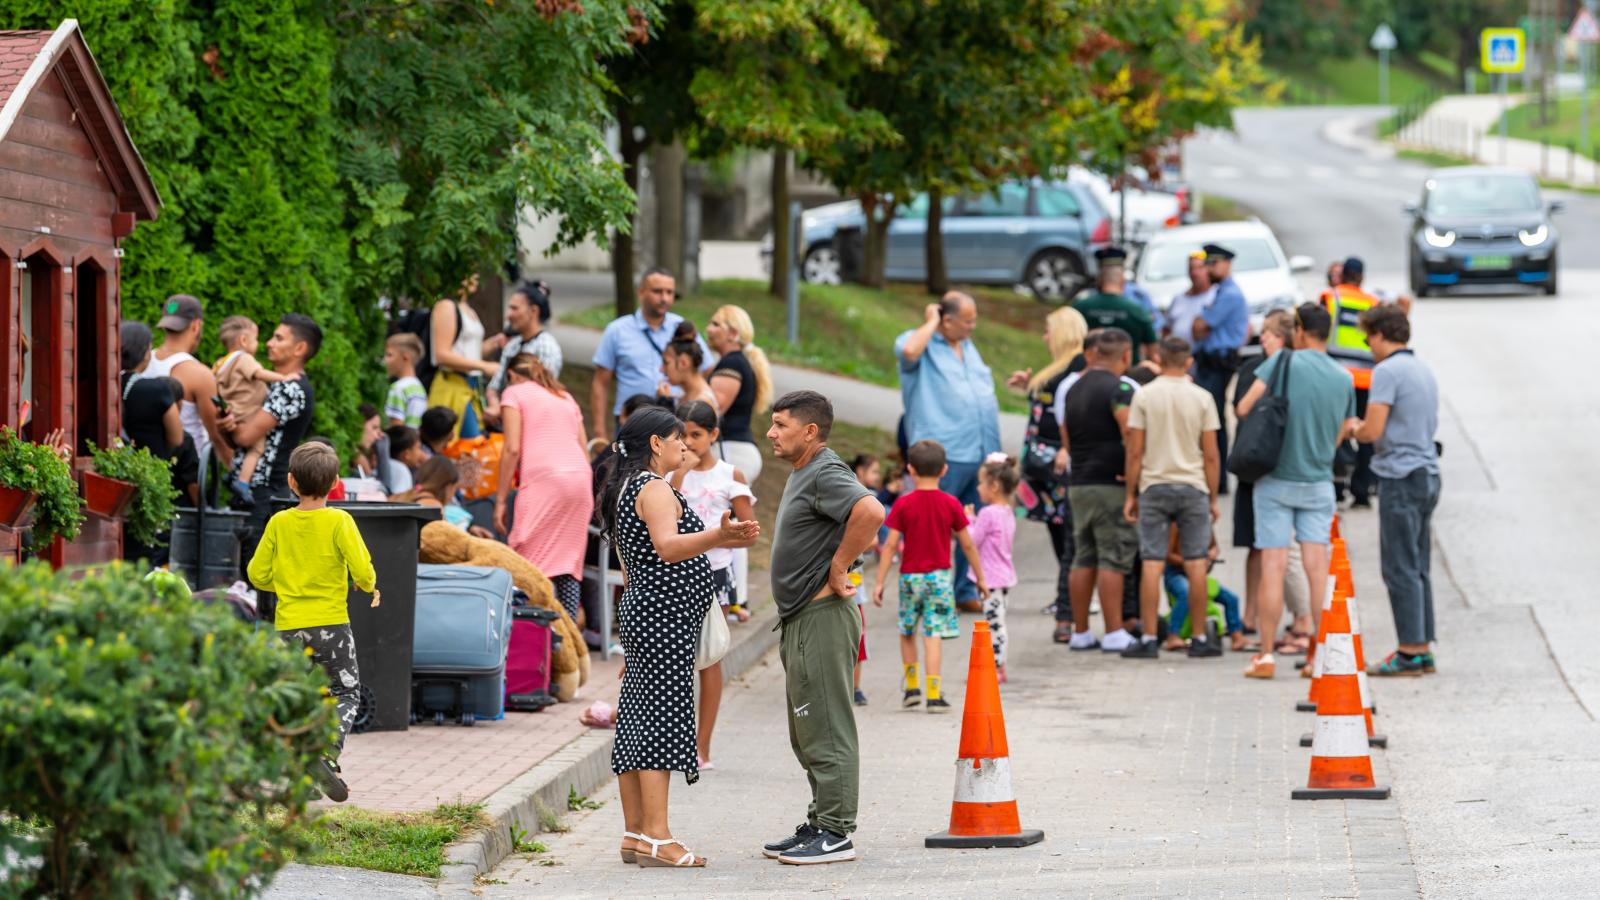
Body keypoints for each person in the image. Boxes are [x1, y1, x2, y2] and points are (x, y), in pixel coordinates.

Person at [597, 406, 759, 868]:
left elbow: (634, 563)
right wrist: (716, 536)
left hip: (645, 612)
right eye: (676, 440)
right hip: (663, 617)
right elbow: (668, 547)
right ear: (655, 444)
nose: (683, 447)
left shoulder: (626, 487)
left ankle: (634, 835)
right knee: (662, 720)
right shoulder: (655, 490)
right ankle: (658, 836)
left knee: (636, 719)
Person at [763, 390, 884, 866]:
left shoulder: (825, 470)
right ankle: (820, 820)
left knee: (828, 728)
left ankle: (836, 832)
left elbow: (871, 511)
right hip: (801, 618)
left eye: (780, 425)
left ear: (809, 431)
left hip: (822, 617)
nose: (772, 433)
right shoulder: (806, 472)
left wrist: (839, 565)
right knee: (808, 730)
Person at [246, 442, 378, 804]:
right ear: (336, 483)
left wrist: (285, 584)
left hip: (288, 627)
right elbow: (362, 568)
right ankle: (325, 754)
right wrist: (369, 586)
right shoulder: (340, 521)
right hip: (332, 625)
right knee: (344, 691)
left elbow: (257, 573)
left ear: (290, 482)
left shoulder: (279, 522)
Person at [1235, 303, 1358, 679]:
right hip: (1319, 481)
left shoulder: (1283, 363)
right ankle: (1316, 656)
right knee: (1316, 568)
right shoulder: (1343, 377)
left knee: (1273, 565)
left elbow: (1243, 407)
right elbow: (1345, 428)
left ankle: (1266, 656)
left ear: (1300, 330)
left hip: (1275, 481)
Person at [894, 291, 1001, 612]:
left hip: (979, 450)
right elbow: (910, 351)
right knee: (931, 527)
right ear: (947, 320)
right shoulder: (919, 343)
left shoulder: (968, 346)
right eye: (967, 321)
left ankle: (965, 590)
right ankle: (925, 592)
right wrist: (930, 322)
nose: (973, 327)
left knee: (972, 525)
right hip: (943, 453)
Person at [668, 401, 756, 770]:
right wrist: (678, 476)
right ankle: (674, 740)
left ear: (714, 435)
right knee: (674, 658)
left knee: (710, 656)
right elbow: (663, 521)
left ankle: (702, 747)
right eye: (682, 434)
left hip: (715, 574)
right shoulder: (671, 474)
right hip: (673, 573)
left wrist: (713, 539)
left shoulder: (728, 473)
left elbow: (749, 533)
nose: (688, 442)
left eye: (697, 435)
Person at [1353, 304, 1440, 676]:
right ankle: (1422, 647)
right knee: (1418, 564)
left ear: (1378, 335)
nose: (1367, 345)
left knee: (1399, 566)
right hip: (1427, 471)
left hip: (1400, 476)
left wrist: (1351, 427)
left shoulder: (1386, 371)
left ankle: (1408, 652)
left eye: (1367, 336)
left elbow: (1372, 431)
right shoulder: (1422, 368)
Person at [1121, 336, 1221, 659]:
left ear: (1159, 360)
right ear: (1189, 362)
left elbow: (1135, 450)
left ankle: (1150, 637)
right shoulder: (1203, 398)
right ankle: (1201, 638)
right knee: (1195, 562)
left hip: (1154, 484)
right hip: (1193, 487)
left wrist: (1131, 493)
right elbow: (1211, 455)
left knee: (1152, 561)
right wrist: (1213, 497)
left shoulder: (1145, 397)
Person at [872, 440, 987, 713]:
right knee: (932, 634)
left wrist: (879, 581)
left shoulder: (903, 504)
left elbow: (890, 545)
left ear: (911, 470)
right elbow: (967, 544)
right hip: (939, 579)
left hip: (910, 578)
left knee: (907, 630)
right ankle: (934, 694)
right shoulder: (951, 504)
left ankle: (912, 689)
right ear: (944, 470)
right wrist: (979, 577)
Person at [226, 314, 321, 622]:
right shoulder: (279, 386)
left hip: (264, 492)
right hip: (263, 490)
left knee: (254, 581)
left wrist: (225, 426)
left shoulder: (290, 389)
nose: (269, 342)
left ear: (300, 348)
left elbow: (245, 436)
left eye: (279, 338)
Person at [1232, 310, 1313, 653]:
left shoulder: (1292, 370)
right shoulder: (1253, 368)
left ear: (1286, 338)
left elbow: (1245, 408)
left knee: (1282, 552)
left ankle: (1301, 620)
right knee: (1258, 546)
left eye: (1269, 333)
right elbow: (1240, 407)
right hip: (1255, 464)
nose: (1262, 338)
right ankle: (1251, 616)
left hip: (1279, 467)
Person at [1006, 306, 1089, 637]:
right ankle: (1066, 592)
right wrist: (1030, 385)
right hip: (1043, 464)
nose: (1044, 336)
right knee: (1056, 527)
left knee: (1066, 530)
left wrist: (1067, 448)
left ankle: (1069, 597)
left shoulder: (1078, 365)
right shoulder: (1057, 367)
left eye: (1048, 330)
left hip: (1057, 462)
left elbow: (1070, 411)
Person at [495, 353, 592, 623]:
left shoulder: (514, 393)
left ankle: (529, 631)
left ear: (513, 375)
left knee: (527, 561)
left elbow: (512, 448)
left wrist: (501, 500)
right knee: (568, 566)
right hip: (580, 480)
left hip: (544, 479)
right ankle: (568, 636)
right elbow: (583, 448)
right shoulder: (565, 396)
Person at [1060, 328, 1141, 652]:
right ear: (1125, 355)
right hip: (1111, 482)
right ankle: (1113, 631)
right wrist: (1132, 481)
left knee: (1083, 555)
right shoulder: (1120, 388)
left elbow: (1066, 434)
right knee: (1113, 556)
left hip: (1079, 481)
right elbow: (1131, 436)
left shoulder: (1073, 387)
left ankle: (1080, 632)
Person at [591, 268, 710, 443]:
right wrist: (600, 433)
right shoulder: (617, 330)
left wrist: (686, 396)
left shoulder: (682, 328)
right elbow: (600, 383)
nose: (665, 298)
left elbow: (705, 367)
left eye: (669, 292)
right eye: (657, 291)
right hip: (631, 422)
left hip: (673, 421)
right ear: (641, 292)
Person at [129, 294, 231, 474]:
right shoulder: (199, 374)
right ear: (196, 325)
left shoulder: (139, 362)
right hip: (184, 476)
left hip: (140, 470)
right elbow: (217, 437)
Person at [1322, 256, 1383, 507]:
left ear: (1342, 274)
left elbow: (1319, 330)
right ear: (1361, 277)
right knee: (1365, 436)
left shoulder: (1330, 297)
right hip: (1366, 380)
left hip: (1337, 377)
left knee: (1334, 432)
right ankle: (1361, 490)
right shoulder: (1373, 302)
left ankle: (1336, 487)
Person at [119, 321, 198, 517]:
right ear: (146, 352)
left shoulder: (107, 384)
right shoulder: (158, 390)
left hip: (115, 479)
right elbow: (177, 438)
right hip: (151, 481)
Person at [1190, 243, 1250, 496]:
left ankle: (1219, 478)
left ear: (1226, 264)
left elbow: (1202, 325)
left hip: (1218, 363)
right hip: (1210, 360)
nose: (1208, 269)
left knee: (1212, 420)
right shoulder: (1221, 291)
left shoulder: (1229, 294)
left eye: (1213, 264)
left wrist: (1201, 323)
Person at [212, 316, 291, 504]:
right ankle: (242, 483)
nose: (259, 343)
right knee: (256, 448)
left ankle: (233, 474)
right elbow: (259, 374)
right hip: (248, 413)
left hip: (234, 413)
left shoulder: (219, 364)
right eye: (256, 339)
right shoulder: (244, 358)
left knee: (240, 448)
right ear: (243, 340)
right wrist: (284, 378)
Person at [705, 304, 773, 481]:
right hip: (736, 451)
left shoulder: (732, 364)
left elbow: (708, 412)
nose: (708, 329)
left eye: (715, 324)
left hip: (731, 451)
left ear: (733, 334)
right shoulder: (736, 362)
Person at [426, 277, 499, 440]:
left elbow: (468, 352)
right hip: (453, 384)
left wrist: (495, 343)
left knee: (473, 445)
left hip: (470, 386)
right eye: (468, 273)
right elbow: (441, 354)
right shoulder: (446, 306)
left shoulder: (467, 308)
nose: (475, 279)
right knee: (469, 443)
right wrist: (483, 366)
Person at [967, 453, 1019, 681]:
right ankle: (998, 666)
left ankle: (996, 667)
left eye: (981, 482)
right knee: (997, 622)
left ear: (994, 485)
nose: (978, 488)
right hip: (1003, 578)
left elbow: (972, 542)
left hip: (990, 580)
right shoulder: (1008, 511)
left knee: (993, 625)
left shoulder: (988, 513)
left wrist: (968, 520)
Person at [486, 281, 563, 425]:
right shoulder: (512, 345)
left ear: (533, 311)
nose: (508, 315)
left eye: (514, 308)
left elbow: (544, 393)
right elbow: (494, 386)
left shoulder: (546, 347)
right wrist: (494, 404)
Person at [1161, 528, 1249, 652]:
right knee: (1186, 593)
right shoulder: (1177, 524)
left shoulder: (1204, 522)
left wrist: (1212, 553)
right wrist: (1188, 562)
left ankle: (1236, 635)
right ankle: (1173, 634)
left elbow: (1214, 546)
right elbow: (1167, 554)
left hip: (1199, 573)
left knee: (1231, 598)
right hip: (1176, 573)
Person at [1071, 248, 1158, 364]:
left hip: (1087, 374)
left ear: (1100, 278)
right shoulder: (1137, 310)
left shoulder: (1080, 307)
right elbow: (1153, 352)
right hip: (1128, 375)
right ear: (1122, 279)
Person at [849, 454, 883, 706]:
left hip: (855, 590)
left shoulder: (866, 499)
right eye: (873, 471)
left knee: (857, 639)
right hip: (832, 588)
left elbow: (873, 540)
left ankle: (855, 688)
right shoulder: (853, 498)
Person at [401, 456, 495, 539]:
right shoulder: (433, 505)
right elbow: (446, 541)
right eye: (454, 489)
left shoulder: (404, 495)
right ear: (448, 486)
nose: (452, 495)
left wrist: (469, 529)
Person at [658, 322, 717, 408]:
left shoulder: (701, 403)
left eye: (666, 363)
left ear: (684, 363)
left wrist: (665, 402)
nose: (661, 370)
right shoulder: (684, 397)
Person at [1163, 250, 1215, 344]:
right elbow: (1166, 328)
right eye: (1191, 268)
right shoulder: (1178, 298)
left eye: (1200, 268)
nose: (1194, 273)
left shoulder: (1216, 296)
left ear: (1209, 269)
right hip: (1177, 355)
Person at [383, 333, 428, 428]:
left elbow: (396, 429)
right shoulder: (419, 388)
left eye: (389, 355)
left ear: (405, 358)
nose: (385, 360)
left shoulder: (398, 388)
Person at [384, 424, 424, 494]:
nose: (421, 453)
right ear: (407, 454)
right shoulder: (400, 469)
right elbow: (401, 500)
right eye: (418, 448)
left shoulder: (388, 465)